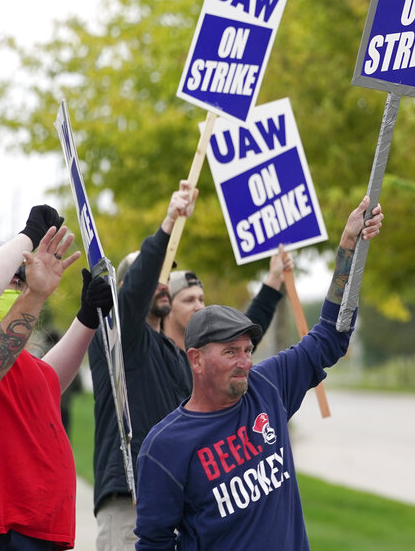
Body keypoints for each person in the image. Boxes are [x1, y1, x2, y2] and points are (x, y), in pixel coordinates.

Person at [134, 196, 383, 550]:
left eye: (248, 350)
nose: (245, 362)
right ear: (197, 360)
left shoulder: (267, 386)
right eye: (230, 352)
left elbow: (331, 336)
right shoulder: (164, 447)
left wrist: (347, 249)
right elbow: (153, 543)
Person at [91, 181, 296, 550]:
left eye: (167, 273)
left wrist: (270, 285)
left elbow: (233, 347)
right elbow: (134, 294)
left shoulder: (174, 354)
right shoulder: (118, 341)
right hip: (129, 504)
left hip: (172, 503)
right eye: (155, 272)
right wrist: (169, 224)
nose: (163, 281)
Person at [0, 208, 113, 549]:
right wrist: (29, 235)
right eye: (11, 277)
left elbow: (47, 383)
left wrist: (86, 319)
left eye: (20, 279)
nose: (18, 283)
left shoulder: (15, 354)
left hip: (35, 529)